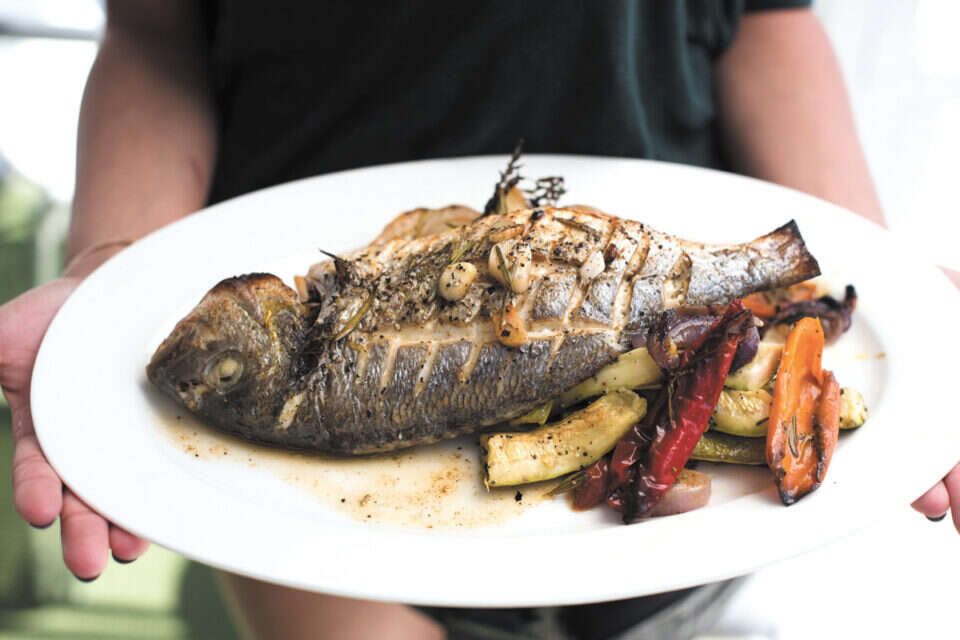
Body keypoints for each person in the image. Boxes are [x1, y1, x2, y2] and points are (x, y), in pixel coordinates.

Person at [2, 1, 958, 638]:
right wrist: (114, 272)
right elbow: (155, 33)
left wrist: (873, 270)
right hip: (320, 568)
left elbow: (766, 16)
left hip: (686, 559)